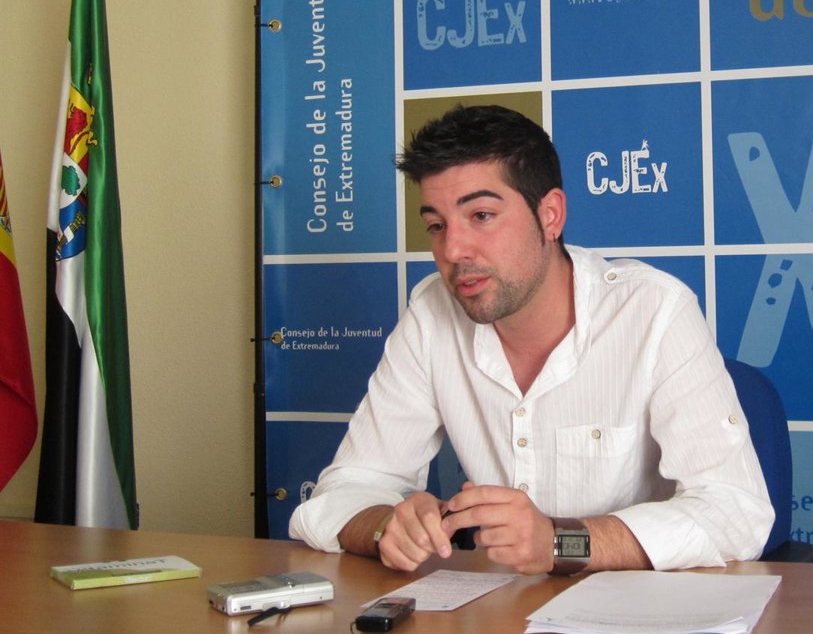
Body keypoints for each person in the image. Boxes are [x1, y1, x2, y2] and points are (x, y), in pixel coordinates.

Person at [289, 104, 773, 575]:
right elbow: (343, 490)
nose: (453, 250)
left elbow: (736, 512)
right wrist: (385, 527)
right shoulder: (431, 316)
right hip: (500, 615)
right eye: (436, 225)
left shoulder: (655, 311)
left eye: (481, 215)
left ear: (550, 216)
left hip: (640, 619)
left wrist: (559, 542)